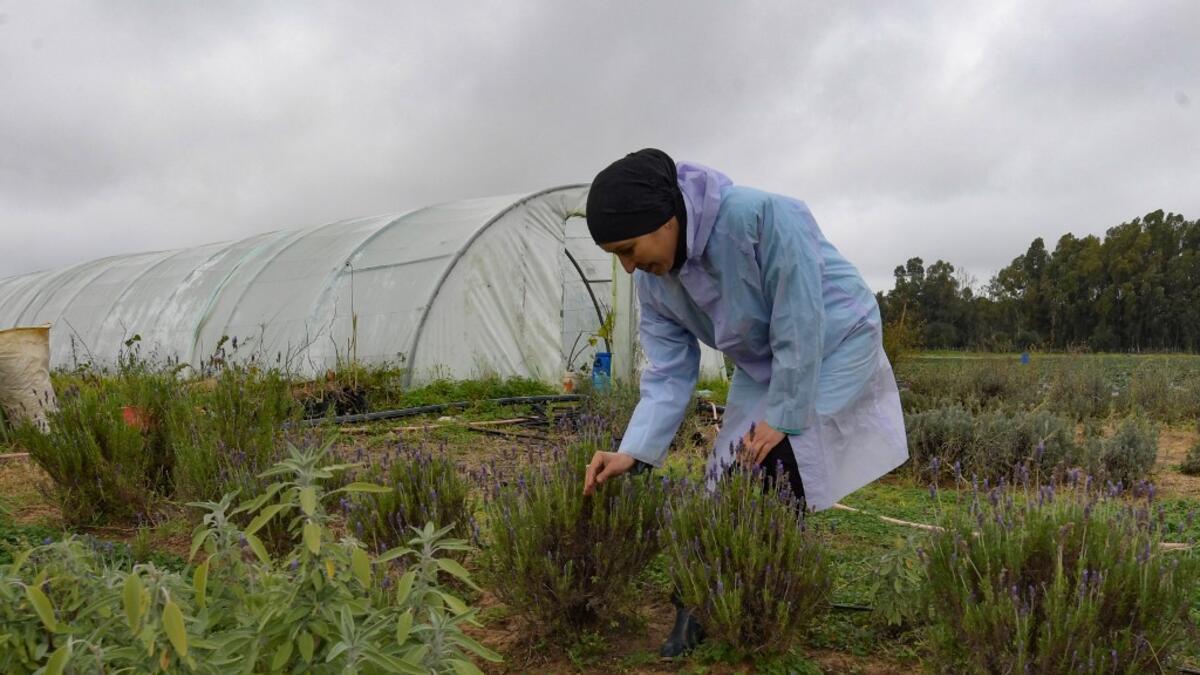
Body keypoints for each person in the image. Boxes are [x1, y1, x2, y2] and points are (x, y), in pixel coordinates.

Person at [580, 148, 909, 657]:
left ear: (665, 220)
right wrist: (634, 449)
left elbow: (800, 318)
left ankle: (755, 603)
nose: (627, 268)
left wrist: (782, 416)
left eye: (628, 249)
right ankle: (701, 600)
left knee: (777, 466)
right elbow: (669, 370)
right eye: (616, 256)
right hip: (767, 362)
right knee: (724, 475)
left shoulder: (761, 216)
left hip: (835, 338)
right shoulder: (655, 281)